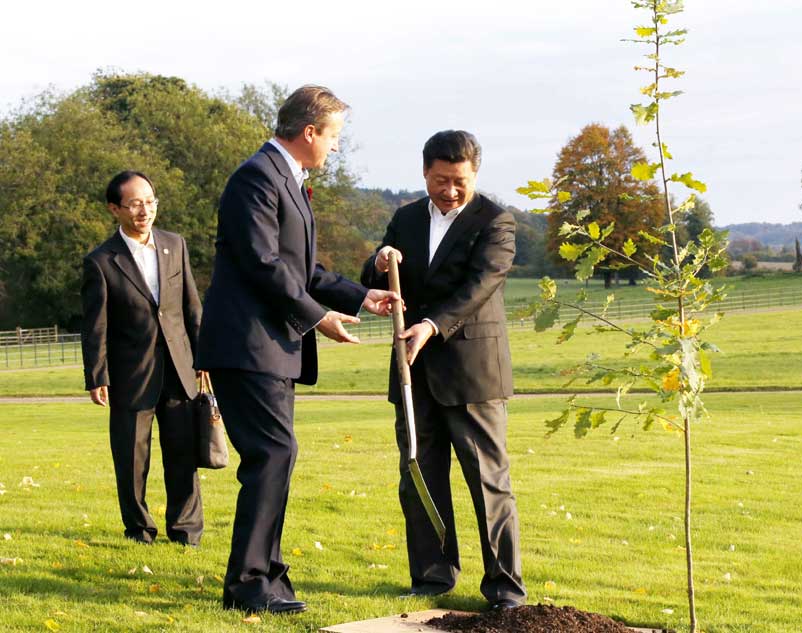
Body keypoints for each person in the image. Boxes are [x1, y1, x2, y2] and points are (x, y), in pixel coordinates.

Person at [196, 85, 397, 616]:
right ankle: (248, 584)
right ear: (309, 132)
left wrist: (360, 295)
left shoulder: (287, 180)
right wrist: (319, 317)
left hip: (270, 348)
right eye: (334, 137)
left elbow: (302, 270)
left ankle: (268, 574)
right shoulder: (256, 178)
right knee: (272, 455)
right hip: (247, 345)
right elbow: (263, 265)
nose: (335, 147)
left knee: (277, 457)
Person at [361, 130, 527, 610]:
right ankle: (432, 578)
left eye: (459, 181)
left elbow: (481, 284)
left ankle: (504, 588)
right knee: (419, 476)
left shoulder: (496, 221)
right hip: (412, 371)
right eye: (440, 180)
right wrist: (379, 259)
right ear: (425, 172)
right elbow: (373, 278)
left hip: (472, 372)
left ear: (474, 173)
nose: (449, 190)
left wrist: (433, 325)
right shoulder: (405, 218)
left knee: (487, 481)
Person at [81, 170, 204, 547]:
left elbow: (191, 307)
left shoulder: (174, 244)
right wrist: (97, 374)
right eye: (134, 203)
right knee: (132, 460)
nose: (144, 210)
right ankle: (139, 529)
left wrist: (204, 358)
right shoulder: (101, 261)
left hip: (181, 369)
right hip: (130, 374)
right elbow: (95, 324)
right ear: (114, 208)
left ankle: (186, 530)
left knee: (183, 454)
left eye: (149, 201)